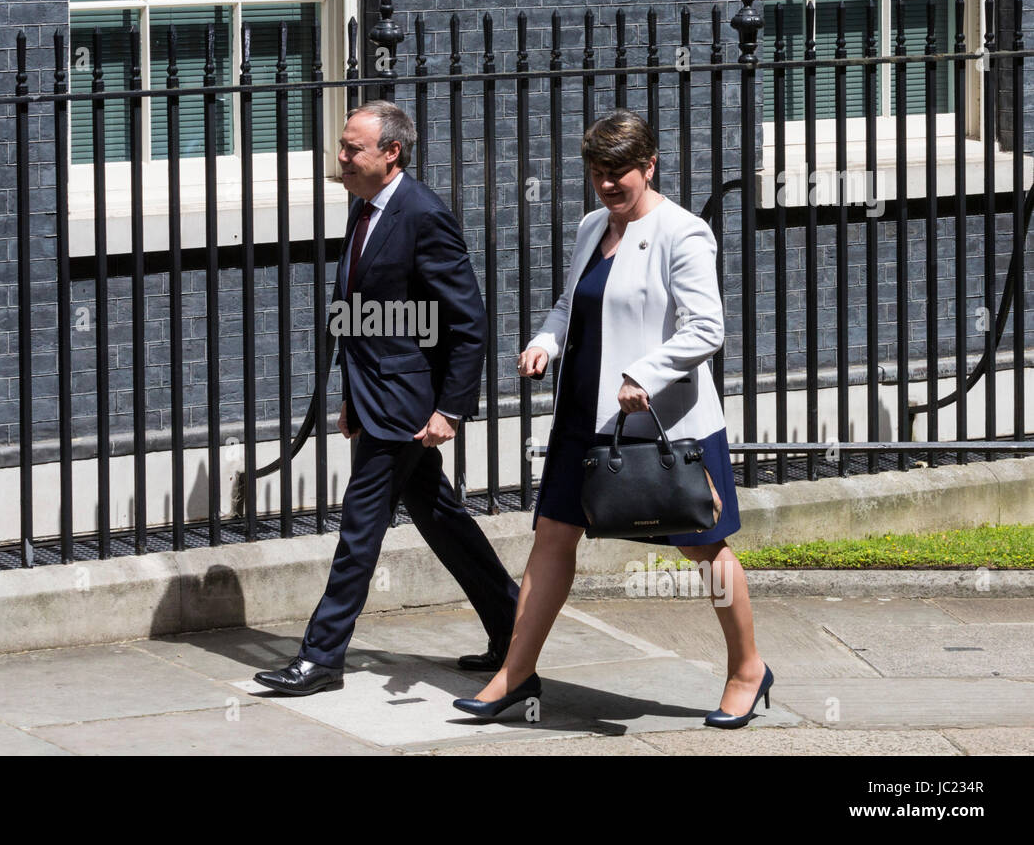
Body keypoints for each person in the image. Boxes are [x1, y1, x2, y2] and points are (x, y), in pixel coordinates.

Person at [452, 109, 773, 728]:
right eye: (598, 172)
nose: (606, 184)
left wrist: (644, 374)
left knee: (703, 546)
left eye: (619, 172)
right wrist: (544, 342)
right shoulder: (591, 226)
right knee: (551, 538)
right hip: (582, 413)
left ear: (649, 165)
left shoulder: (684, 232)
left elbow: (706, 329)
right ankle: (514, 676)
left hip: (664, 423)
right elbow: (569, 307)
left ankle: (746, 670)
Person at [254, 100, 520, 697]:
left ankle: (321, 657)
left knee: (359, 528)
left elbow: (466, 319)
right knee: (441, 518)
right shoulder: (367, 207)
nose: (341, 157)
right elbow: (360, 314)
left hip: (406, 405)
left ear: (391, 152)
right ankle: (514, 626)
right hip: (376, 397)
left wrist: (450, 408)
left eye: (353, 148)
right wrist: (352, 394)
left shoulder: (423, 214)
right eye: (343, 146)